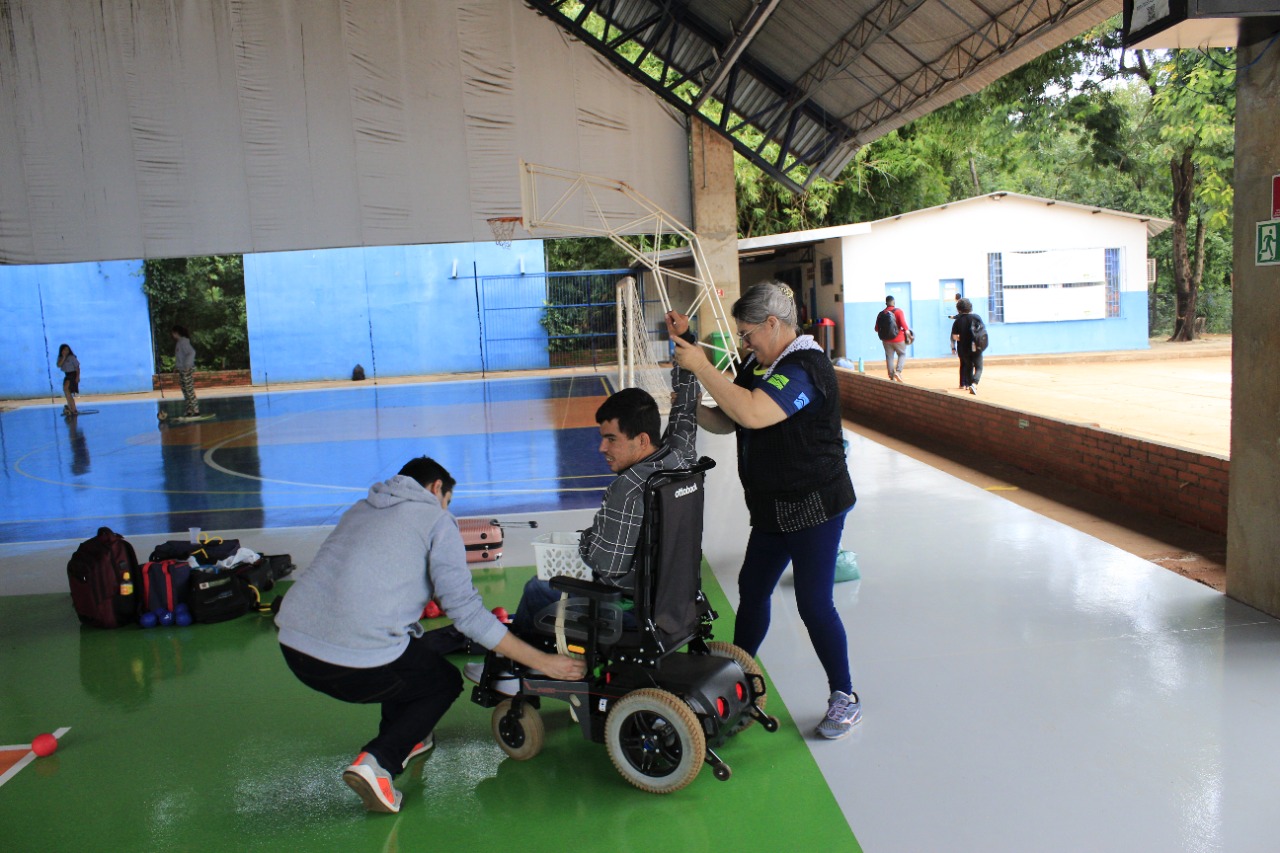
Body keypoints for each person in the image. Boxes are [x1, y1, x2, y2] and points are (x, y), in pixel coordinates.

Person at [276, 456, 586, 814]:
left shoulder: (360, 509)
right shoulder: (437, 520)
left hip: (294, 644)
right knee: (442, 682)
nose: (446, 508)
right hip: (350, 661)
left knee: (408, 653)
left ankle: (411, 737)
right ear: (437, 488)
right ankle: (378, 763)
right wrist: (545, 663)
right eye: (447, 501)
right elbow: (468, 615)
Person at [672, 282, 861, 740]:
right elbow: (730, 418)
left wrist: (701, 365)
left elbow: (755, 413)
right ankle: (736, 673)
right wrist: (692, 402)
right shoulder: (759, 365)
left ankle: (845, 695)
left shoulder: (805, 367)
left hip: (815, 504)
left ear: (773, 324)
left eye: (748, 333)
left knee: (813, 603)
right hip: (774, 506)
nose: (745, 342)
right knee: (752, 587)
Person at [480, 310, 701, 659]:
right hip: (678, 605)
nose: (601, 448)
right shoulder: (681, 457)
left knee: (537, 589)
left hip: (635, 615)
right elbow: (686, 406)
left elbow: (607, 569)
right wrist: (685, 340)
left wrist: (586, 540)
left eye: (611, 439)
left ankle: (519, 664)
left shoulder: (629, 488)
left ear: (642, 440)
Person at [951, 297, 985, 395]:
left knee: (968, 367)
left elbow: (955, 336)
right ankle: (974, 383)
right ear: (970, 307)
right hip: (976, 347)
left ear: (959, 309)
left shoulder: (957, 321)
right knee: (979, 367)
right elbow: (983, 331)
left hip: (963, 348)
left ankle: (969, 385)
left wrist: (962, 338)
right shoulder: (977, 317)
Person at [874, 295, 910, 382]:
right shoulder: (898, 311)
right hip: (898, 339)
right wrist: (907, 331)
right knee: (902, 354)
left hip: (886, 340)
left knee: (889, 357)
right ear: (894, 302)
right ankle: (898, 372)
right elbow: (903, 324)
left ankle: (891, 376)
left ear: (886, 303)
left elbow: (876, 329)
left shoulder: (881, 314)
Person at [171, 325, 199, 416]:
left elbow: (191, 353)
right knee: (184, 390)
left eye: (173, 333)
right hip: (182, 369)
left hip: (186, 370)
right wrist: (177, 367)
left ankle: (196, 410)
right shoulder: (179, 343)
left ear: (176, 333)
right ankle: (189, 410)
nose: (172, 335)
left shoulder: (183, 342)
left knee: (189, 389)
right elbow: (180, 357)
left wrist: (187, 365)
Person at [56, 343, 79, 416]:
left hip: (72, 374)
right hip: (67, 374)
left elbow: (77, 367)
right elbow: (59, 365)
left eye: (67, 350)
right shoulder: (60, 358)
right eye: (64, 350)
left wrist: (77, 377)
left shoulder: (72, 357)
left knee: (66, 388)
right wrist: (63, 357)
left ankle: (73, 408)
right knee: (67, 391)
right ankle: (71, 407)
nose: (66, 351)